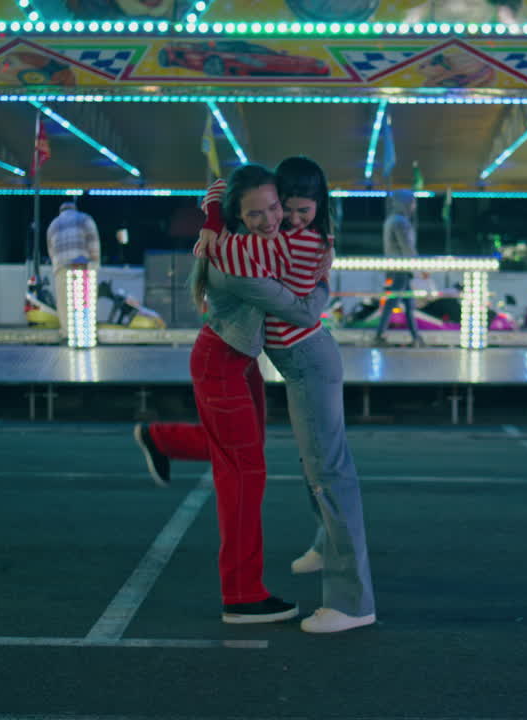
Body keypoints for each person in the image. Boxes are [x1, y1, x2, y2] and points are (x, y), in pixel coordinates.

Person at [137, 157, 377, 634]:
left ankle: (350, 598)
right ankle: (247, 591)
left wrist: (214, 218)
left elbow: (222, 188)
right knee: (260, 469)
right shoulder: (238, 261)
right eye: (265, 212)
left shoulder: (285, 238)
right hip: (241, 360)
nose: (279, 220)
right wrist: (323, 281)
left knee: (319, 469)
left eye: (283, 209)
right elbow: (303, 309)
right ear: (239, 215)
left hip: (289, 362)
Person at [373, 189, 426, 347]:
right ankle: (379, 335)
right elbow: (407, 248)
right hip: (400, 269)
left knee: (408, 304)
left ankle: (415, 337)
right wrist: (421, 267)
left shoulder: (393, 220)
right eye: (412, 202)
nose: (413, 206)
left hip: (397, 268)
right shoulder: (399, 222)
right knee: (393, 302)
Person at [45, 201, 101, 334]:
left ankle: (67, 334)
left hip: (61, 268)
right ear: (75, 209)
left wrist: (56, 267)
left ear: (61, 211)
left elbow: (51, 250)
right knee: (85, 303)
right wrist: (95, 264)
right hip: (82, 266)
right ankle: (85, 334)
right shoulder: (84, 219)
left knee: (64, 305)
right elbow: (94, 242)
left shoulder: (53, 225)